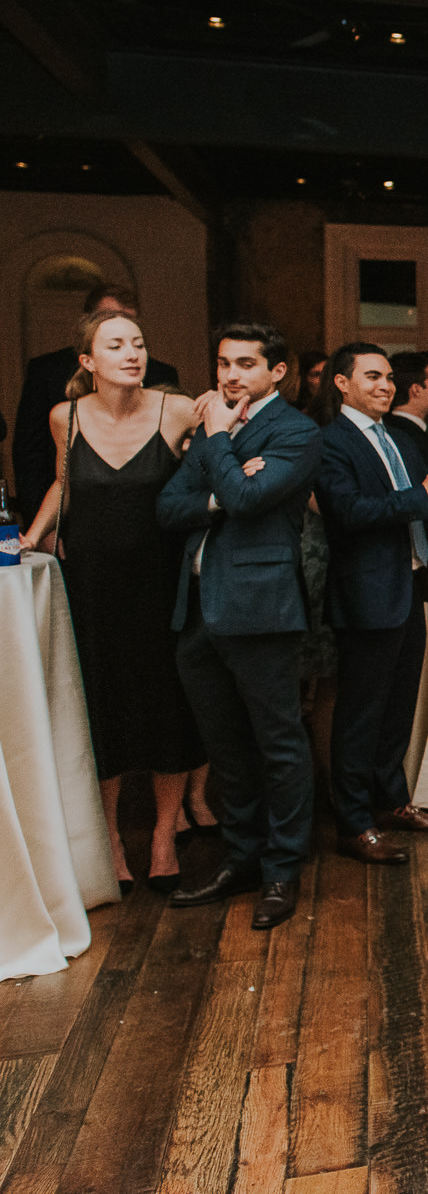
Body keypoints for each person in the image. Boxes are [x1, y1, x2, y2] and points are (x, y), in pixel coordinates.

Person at [19, 309, 208, 892]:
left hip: (162, 581)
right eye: (116, 345)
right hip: (94, 588)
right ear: (87, 362)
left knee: (167, 704)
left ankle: (161, 838)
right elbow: (64, 483)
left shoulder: (176, 410)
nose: (133, 353)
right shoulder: (64, 417)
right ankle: (107, 841)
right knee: (102, 707)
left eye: (139, 343)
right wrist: (31, 536)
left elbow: (210, 467)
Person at [158, 322, 324, 931]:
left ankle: (282, 868)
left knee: (278, 745)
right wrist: (222, 489)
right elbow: (169, 506)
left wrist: (220, 450)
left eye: (246, 364)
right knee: (227, 748)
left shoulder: (297, 432)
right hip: (198, 612)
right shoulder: (217, 427)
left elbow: (256, 502)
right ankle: (242, 857)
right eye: (224, 362)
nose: (230, 375)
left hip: (261, 610)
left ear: (277, 372)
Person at [313, 344, 428, 864]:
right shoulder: (331, 442)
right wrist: (426, 490)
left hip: (408, 584)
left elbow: (424, 501)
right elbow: (349, 512)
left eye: (388, 377)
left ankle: (392, 802)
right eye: (372, 377)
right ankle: (354, 823)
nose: (385, 386)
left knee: (399, 702)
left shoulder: (396, 437)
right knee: (361, 712)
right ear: (342, 384)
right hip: (365, 591)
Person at [12, 284, 180, 521]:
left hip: (152, 519)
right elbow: (31, 458)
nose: (118, 326)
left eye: (128, 320)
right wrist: (46, 530)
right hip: (77, 521)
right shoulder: (48, 372)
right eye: (108, 317)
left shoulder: (161, 375)